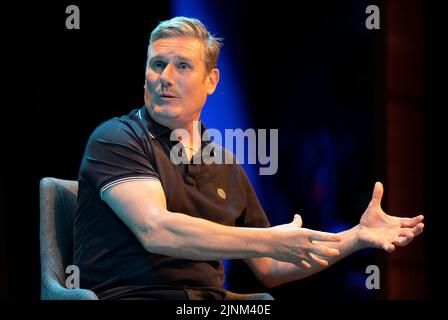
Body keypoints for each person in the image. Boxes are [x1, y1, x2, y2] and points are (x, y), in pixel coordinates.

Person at [74, 16, 424, 300]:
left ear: (211, 81)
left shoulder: (224, 164)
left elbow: (270, 267)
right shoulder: (118, 138)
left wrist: (356, 238)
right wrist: (270, 239)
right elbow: (157, 230)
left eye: (182, 66)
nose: (165, 78)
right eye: (157, 65)